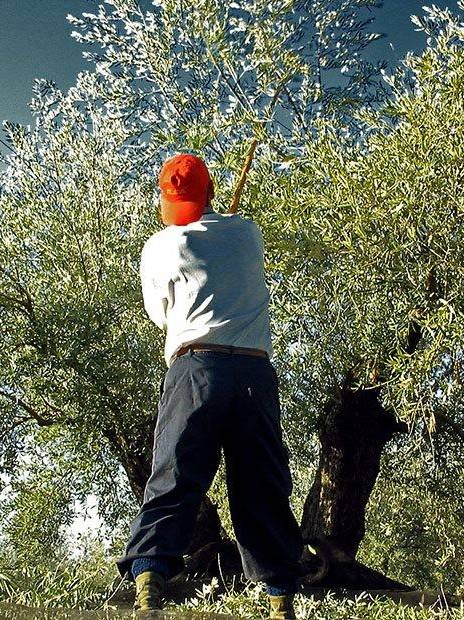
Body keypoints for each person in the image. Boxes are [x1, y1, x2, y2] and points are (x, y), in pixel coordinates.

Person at [116, 153, 303, 619]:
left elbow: (159, 314)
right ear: (212, 193)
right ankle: (280, 599)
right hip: (255, 375)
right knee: (261, 484)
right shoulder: (247, 233)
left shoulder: (161, 246)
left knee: (175, 476)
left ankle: (149, 587)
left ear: (167, 199)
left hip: (196, 368)